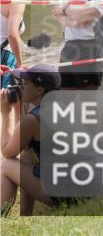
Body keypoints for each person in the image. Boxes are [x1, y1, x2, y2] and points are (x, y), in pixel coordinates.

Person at [0, 64, 68, 215]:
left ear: (39, 90)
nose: (21, 86)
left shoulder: (33, 120)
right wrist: (17, 109)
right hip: (85, 184)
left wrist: (6, 114)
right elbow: (24, 146)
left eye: (25, 82)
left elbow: (7, 151)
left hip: (67, 194)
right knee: (27, 156)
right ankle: (25, 214)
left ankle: (1, 216)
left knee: (6, 166)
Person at [1, 0, 32, 88]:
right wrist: (19, 62)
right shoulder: (17, 3)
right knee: (5, 96)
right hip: (4, 55)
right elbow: (12, 35)